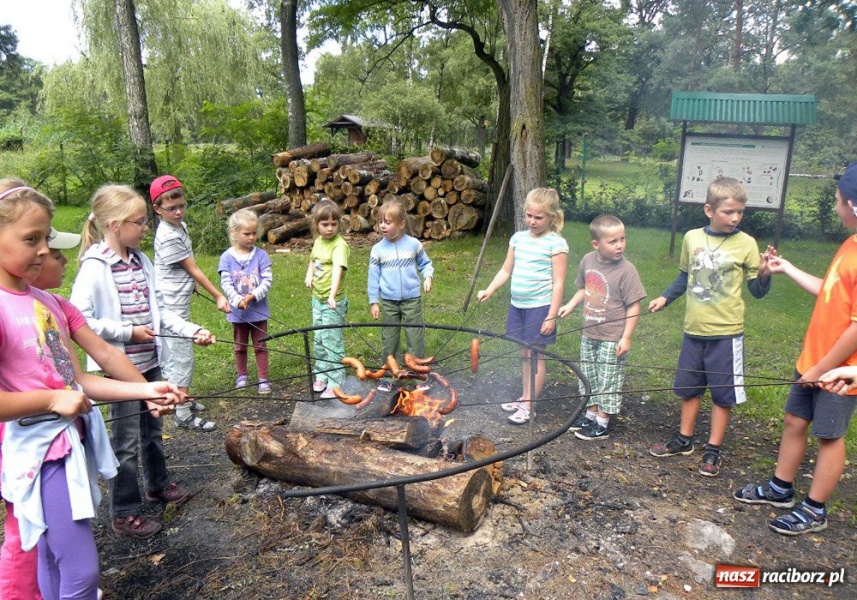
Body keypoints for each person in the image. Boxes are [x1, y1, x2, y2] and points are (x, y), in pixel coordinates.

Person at [0, 182, 183, 599]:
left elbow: (83, 375)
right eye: (31, 239)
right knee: (81, 574)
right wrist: (50, 399)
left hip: (66, 448)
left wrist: (147, 388)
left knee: (50, 559)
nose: (45, 250)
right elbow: (57, 393)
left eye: (46, 237)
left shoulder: (48, 304)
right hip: (38, 455)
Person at [69, 184, 215, 540]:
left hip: (150, 364)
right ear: (116, 225)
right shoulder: (94, 267)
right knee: (125, 443)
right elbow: (80, 319)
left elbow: (161, 312)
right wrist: (127, 331)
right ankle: (124, 511)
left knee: (152, 433)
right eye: (139, 222)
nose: (145, 228)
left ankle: (158, 484)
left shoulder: (141, 261)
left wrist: (192, 329)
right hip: (117, 372)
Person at [734, 162, 857, 535]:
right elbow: (831, 291)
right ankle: (780, 488)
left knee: (829, 435)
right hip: (814, 360)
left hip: (839, 371)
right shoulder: (851, 243)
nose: (835, 208)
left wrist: (821, 369)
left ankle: (815, 509)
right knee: (794, 420)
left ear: (852, 204)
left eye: (838, 202)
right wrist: (787, 268)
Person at [648, 176, 771, 477]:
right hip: (694, 330)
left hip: (726, 334)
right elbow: (684, 277)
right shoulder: (692, 238)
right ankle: (684, 439)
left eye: (740, 212)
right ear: (709, 210)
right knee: (689, 389)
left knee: (722, 394)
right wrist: (666, 297)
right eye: (728, 211)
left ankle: (713, 449)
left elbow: (756, 290)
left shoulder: (747, 244)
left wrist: (766, 272)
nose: (735, 217)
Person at [477, 188, 568, 425]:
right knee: (523, 353)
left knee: (536, 355)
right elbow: (506, 269)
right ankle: (525, 396)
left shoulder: (556, 244)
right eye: (529, 215)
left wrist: (551, 316)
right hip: (518, 306)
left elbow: (558, 283)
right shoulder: (517, 239)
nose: (532, 221)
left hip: (540, 308)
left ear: (552, 217)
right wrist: (490, 289)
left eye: (538, 217)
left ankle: (530, 406)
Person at [558, 214, 646, 440]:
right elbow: (583, 289)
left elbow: (634, 306)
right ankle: (590, 414)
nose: (620, 246)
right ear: (596, 244)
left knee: (608, 379)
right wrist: (569, 305)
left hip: (612, 337)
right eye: (613, 241)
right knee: (588, 375)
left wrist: (626, 337)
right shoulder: (588, 261)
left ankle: (603, 424)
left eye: (622, 239)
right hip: (590, 333)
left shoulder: (627, 270)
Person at [151, 175, 227, 431]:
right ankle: (181, 413)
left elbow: (183, 268)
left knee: (180, 357)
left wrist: (190, 285)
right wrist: (217, 295)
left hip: (178, 300)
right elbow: (193, 268)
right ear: (157, 209)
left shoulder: (178, 226)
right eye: (171, 208)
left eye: (181, 205)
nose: (178, 211)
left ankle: (182, 399)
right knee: (181, 359)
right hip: (170, 308)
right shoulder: (168, 234)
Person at [368, 200, 434, 393]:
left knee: (415, 337)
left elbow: (425, 263)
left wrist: (427, 277)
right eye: (380, 222)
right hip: (388, 301)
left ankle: (418, 377)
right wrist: (374, 301)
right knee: (390, 339)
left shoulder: (413, 245)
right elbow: (373, 278)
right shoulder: (377, 250)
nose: (382, 226)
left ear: (402, 224)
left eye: (388, 222)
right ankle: (389, 376)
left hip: (412, 299)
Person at [218, 209, 273, 392]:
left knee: (260, 345)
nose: (251, 237)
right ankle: (242, 375)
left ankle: (263, 378)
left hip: (258, 312)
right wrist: (236, 300)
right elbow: (225, 283)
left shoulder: (261, 256)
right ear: (234, 232)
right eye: (246, 234)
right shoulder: (227, 257)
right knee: (240, 346)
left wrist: (254, 295)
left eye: (254, 233)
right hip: (238, 312)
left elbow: (267, 280)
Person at [305, 200, 350, 398]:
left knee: (332, 341)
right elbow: (313, 261)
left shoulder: (339, 246)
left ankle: (335, 383)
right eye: (325, 224)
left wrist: (332, 295)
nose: (330, 228)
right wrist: (309, 275)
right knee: (319, 339)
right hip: (317, 300)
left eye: (334, 224)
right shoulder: (318, 242)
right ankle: (322, 375)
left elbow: (338, 271)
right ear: (316, 224)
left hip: (333, 302)